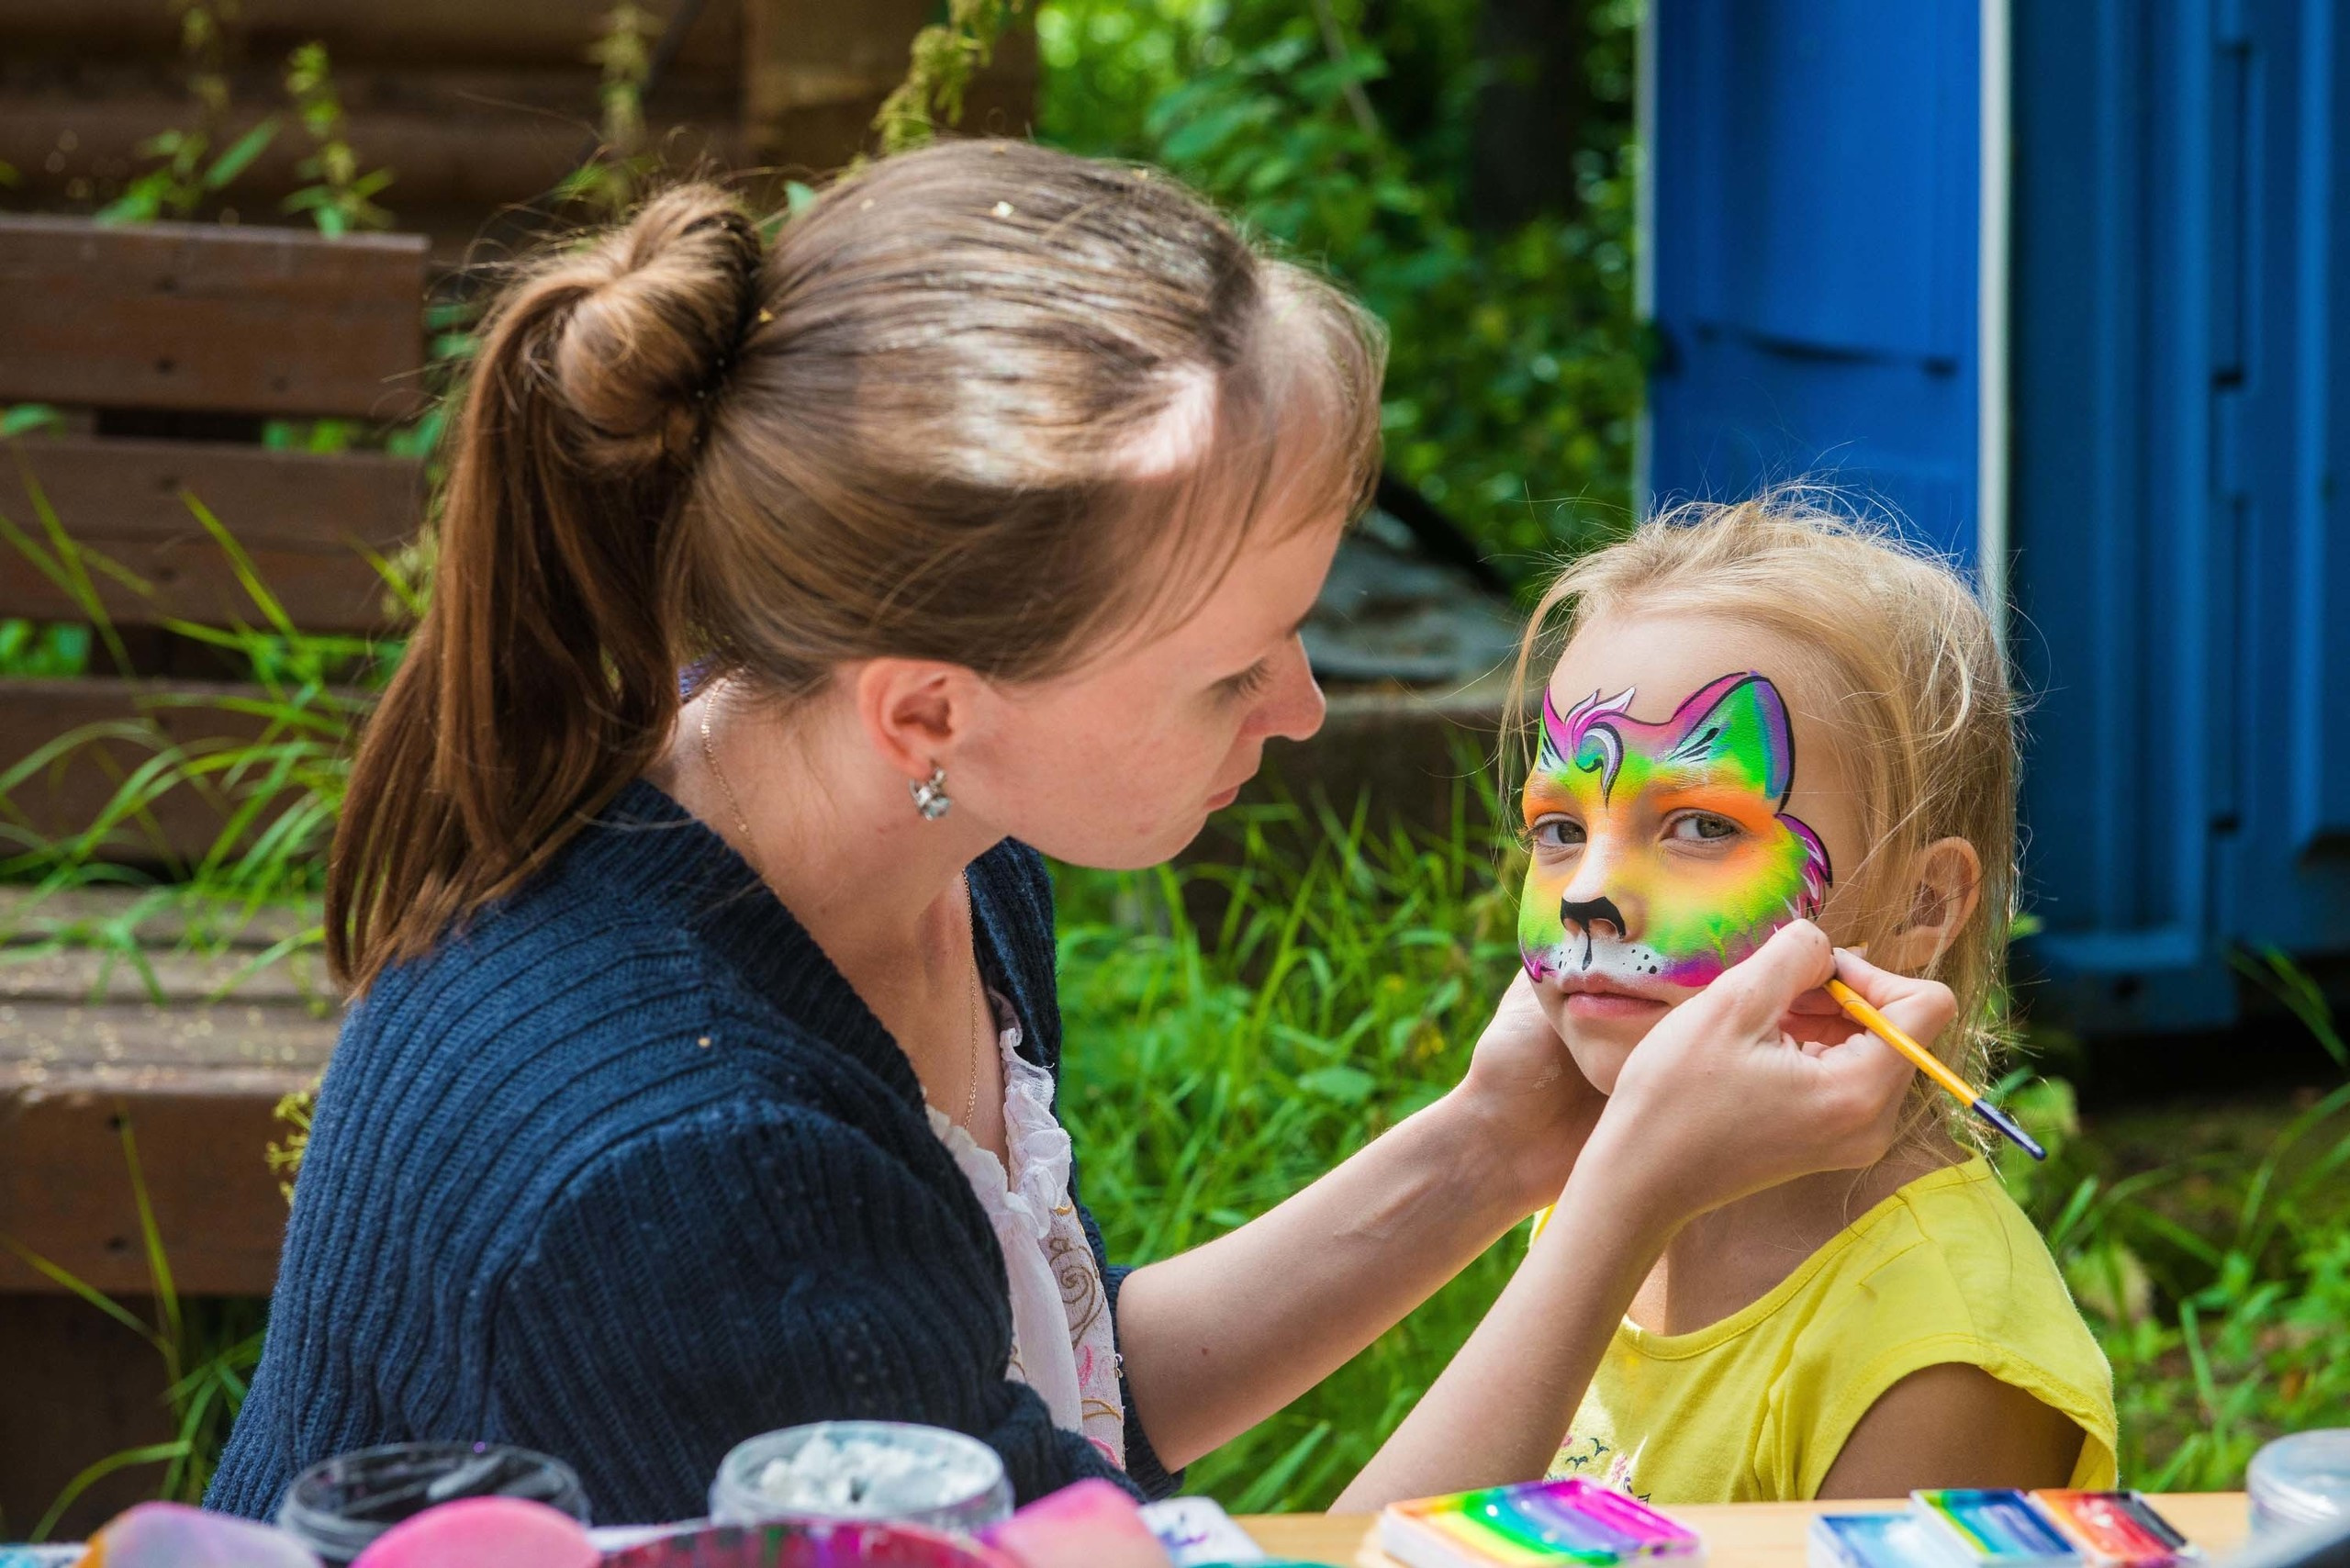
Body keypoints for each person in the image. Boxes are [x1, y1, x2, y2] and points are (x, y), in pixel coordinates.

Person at [207, 144, 1935, 1524]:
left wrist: (1496, 1147)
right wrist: (1626, 1202)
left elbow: (1042, 1414)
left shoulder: (921, 852)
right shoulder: (699, 1180)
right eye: (1230, 669)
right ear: (932, 708)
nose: (1305, 707)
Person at [1336, 498, 2114, 1510]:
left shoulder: (1939, 1349)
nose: (1584, 895)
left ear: (1926, 903)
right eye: (1559, 828)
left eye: (1701, 824)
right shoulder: (1605, 1194)